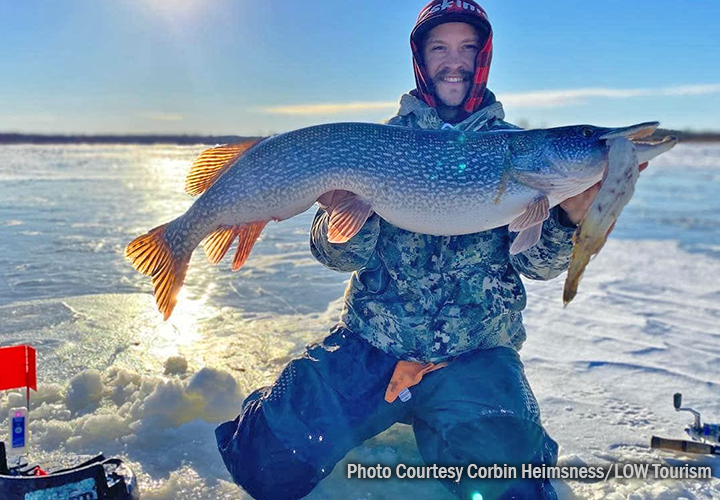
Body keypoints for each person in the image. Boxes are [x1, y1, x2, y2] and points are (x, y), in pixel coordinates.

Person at [215, 1, 647, 499]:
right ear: (421, 58)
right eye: (439, 48)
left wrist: (571, 216)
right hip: (371, 343)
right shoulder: (377, 142)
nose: (454, 61)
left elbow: (536, 265)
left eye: (467, 48)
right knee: (264, 463)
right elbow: (336, 257)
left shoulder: (517, 152)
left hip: (477, 354)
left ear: (483, 56)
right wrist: (342, 211)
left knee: (514, 488)